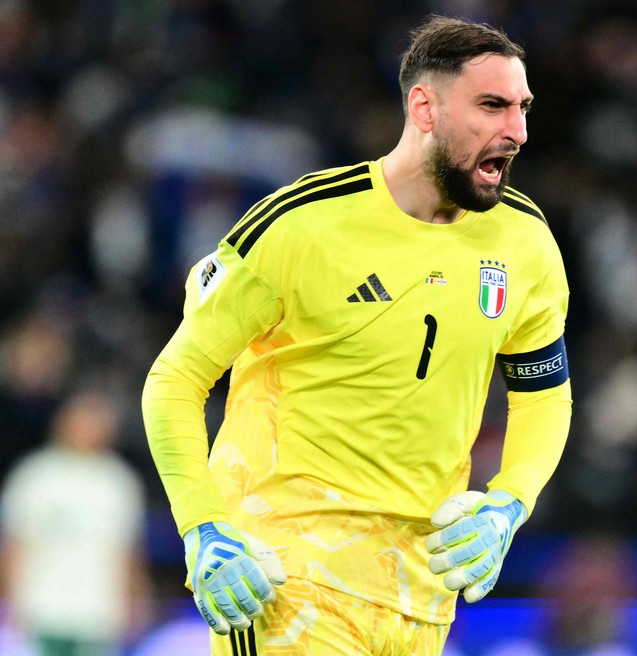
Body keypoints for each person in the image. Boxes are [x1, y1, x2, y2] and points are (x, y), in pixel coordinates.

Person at [141, 14, 572, 656]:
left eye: (522, 108)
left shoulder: (526, 243)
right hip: (285, 580)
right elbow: (175, 379)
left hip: (420, 596)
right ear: (424, 108)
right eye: (492, 106)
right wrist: (203, 527)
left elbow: (544, 396)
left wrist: (510, 502)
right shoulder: (303, 226)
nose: (517, 130)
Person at [0, 388, 149, 656]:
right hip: (42, 609)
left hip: (99, 613)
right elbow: (14, 546)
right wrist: (9, 601)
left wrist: (137, 601)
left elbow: (128, 551)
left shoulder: (119, 481)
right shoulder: (35, 475)